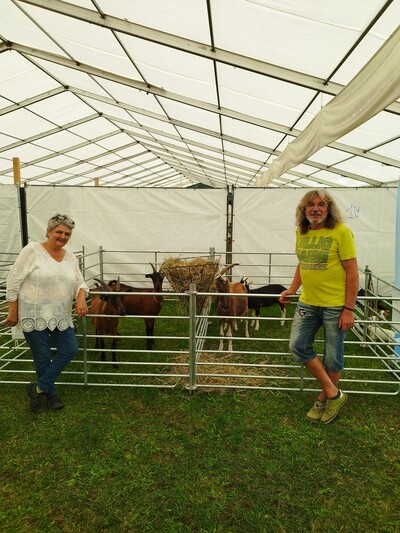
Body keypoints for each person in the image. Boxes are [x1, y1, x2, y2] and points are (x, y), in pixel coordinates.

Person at [279, 190, 358, 424]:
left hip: (335, 305)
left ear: (329, 208)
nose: (315, 208)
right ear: (303, 210)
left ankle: (324, 398)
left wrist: (349, 309)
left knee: (333, 357)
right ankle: (334, 394)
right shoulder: (301, 233)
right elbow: (303, 263)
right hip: (307, 303)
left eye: (321, 204)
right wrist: (293, 289)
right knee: (298, 346)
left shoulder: (341, 232)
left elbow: (352, 272)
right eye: (310, 205)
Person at [5, 214, 89, 413]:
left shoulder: (71, 257)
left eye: (67, 233)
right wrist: (13, 311)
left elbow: (80, 283)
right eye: (58, 232)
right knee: (42, 358)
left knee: (70, 349)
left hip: (60, 315)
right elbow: (13, 280)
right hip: (33, 314)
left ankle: (38, 387)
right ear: (48, 231)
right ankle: (52, 395)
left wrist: (81, 297)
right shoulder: (32, 250)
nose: (63, 236)